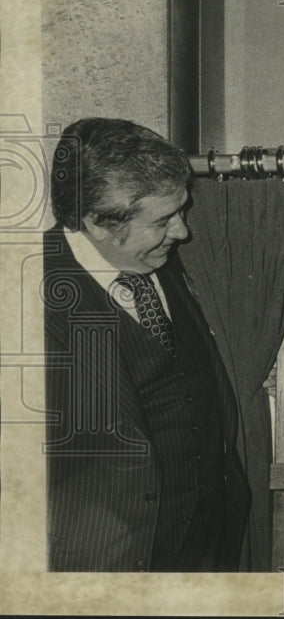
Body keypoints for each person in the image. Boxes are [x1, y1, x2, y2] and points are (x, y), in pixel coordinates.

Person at [43, 118, 250, 571]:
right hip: (104, 566)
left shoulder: (162, 259)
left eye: (181, 211)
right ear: (96, 223)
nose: (182, 232)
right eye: (162, 221)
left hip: (207, 552)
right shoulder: (24, 298)